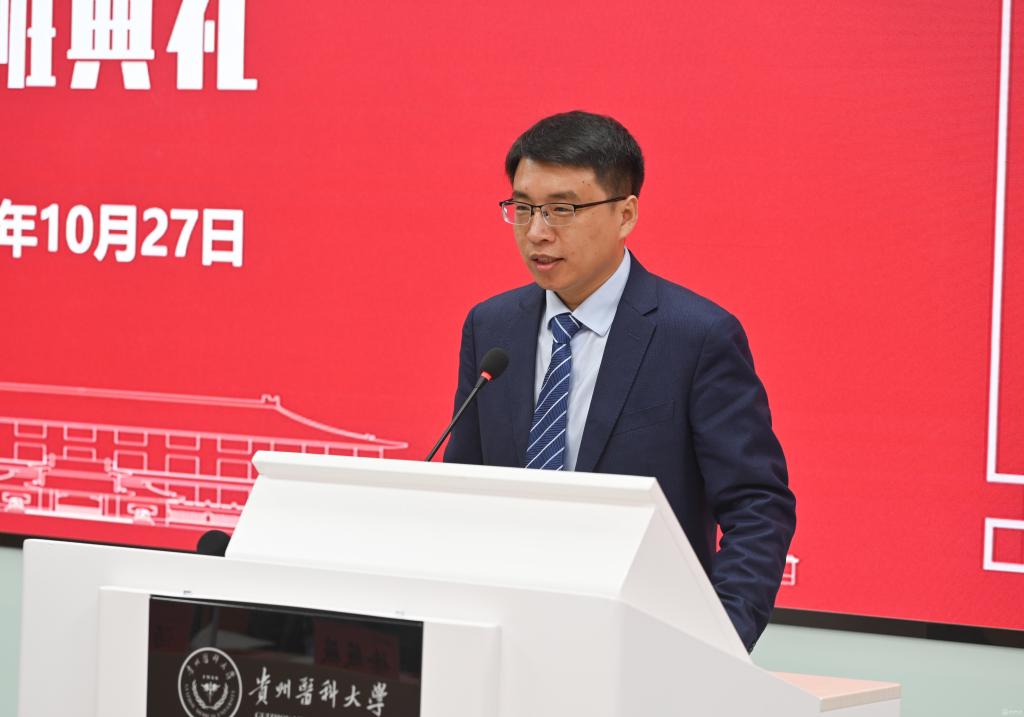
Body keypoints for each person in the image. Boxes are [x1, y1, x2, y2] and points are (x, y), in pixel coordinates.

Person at [443, 110, 796, 652]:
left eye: (562, 209)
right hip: (506, 639)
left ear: (625, 214)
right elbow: (464, 490)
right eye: (523, 207)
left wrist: (718, 644)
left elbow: (757, 507)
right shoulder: (491, 328)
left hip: (646, 645)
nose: (537, 232)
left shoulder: (696, 337)